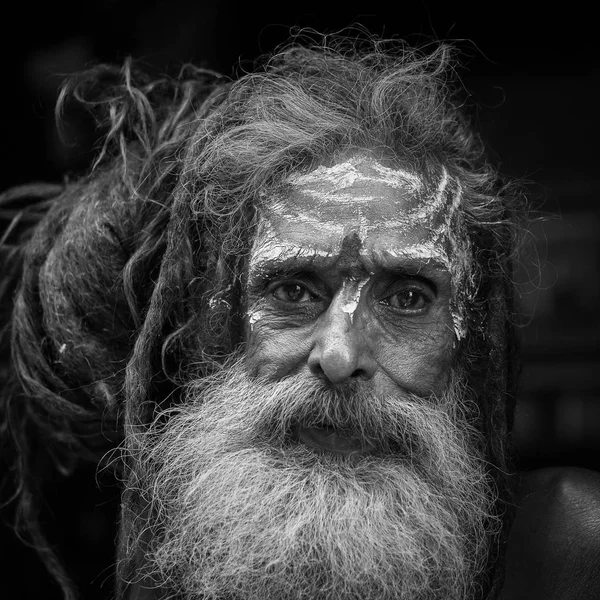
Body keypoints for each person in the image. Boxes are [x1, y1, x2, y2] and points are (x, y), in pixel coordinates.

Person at [1, 33, 599, 600]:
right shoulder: (178, 558)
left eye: (408, 298)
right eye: (292, 289)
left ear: (469, 346)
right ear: (215, 325)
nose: (338, 357)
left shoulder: (568, 553)